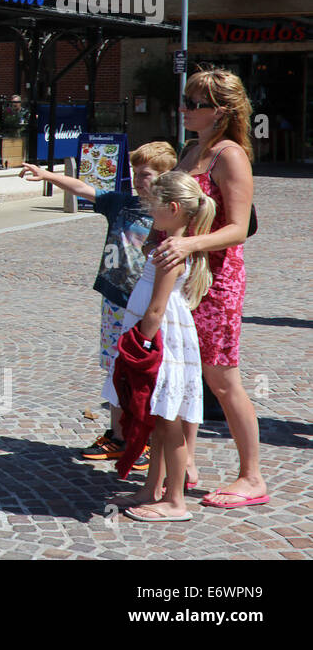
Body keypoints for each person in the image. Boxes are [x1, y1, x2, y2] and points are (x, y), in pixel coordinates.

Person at [21, 140, 177, 467]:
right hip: (114, 301)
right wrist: (47, 175)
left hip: (146, 306)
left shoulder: (169, 216)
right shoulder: (121, 204)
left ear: (164, 176)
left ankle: (143, 439)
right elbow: (83, 188)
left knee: (143, 371)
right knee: (114, 369)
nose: (137, 179)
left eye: (145, 174)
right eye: (134, 172)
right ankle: (119, 435)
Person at [151, 67, 266, 508]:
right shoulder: (191, 150)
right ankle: (187, 465)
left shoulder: (229, 155)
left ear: (220, 111)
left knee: (221, 378)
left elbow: (238, 228)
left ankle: (252, 476)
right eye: (184, 101)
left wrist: (188, 243)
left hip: (214, 279)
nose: (183, 109)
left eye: (194, 104)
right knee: (180, 370)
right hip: (181, 277)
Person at [106, 171, 214, 521]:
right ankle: (153, 488)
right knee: (158, 419)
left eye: (153, 207)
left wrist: (141, 342)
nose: (150, 214)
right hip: (163, 333)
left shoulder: (172, 250)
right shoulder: (169, 243)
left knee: (170, 423)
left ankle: (176, 499)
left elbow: (156, 306)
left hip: (161, 337)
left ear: (171, 207)